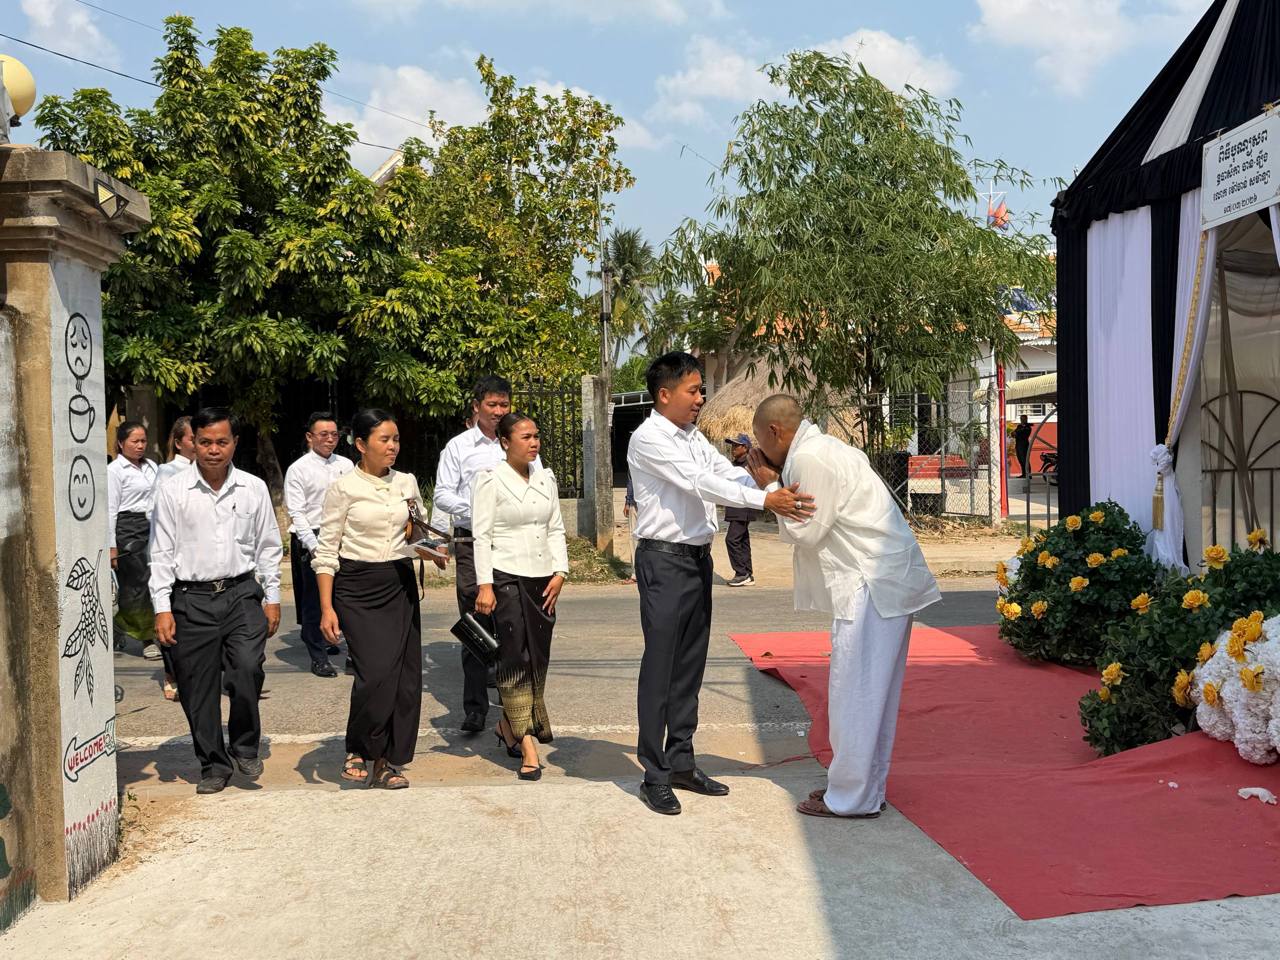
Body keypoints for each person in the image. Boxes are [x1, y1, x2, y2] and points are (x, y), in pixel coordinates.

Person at [626, 352, 815, 815]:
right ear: (664, 394)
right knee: (661, 668)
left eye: (701, 390)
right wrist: (765, 500)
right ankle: (654, 774)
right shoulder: (649, 438)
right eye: (692, 391)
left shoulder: (691, 436)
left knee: (690, 665)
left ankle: (681, 762)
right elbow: (699, 483)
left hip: (695, 560)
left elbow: (722, 472)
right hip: (663, 561)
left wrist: (764, 481)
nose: (700, 399)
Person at [747, 395, 940, 820]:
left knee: (856, 696)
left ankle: (851, 798)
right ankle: (861, 790)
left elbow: (807, 532)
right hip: (878, 581)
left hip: (871, 584)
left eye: (760, 439)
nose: (759, 449)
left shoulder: (811, 458)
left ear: (775, 431)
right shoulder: (822, 449)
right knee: (869, 697)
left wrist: (768, 486)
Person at [149, 408, 283, 795]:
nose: (213, 450)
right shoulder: (173, 491)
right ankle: (213, 764)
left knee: (247, 668)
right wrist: (162, 607)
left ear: (234, 443)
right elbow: (160, 552)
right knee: (197, 688)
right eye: (205, 442)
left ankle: (245, 745)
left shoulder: (253, 488)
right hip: (190, 598)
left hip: (241, 594)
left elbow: (268, 546)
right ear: (193, 443)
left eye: (221, 442)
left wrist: (272, 596)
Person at [314, 409, 427, 790]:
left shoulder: (407, 482)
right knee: (375, 674)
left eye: (396, 439)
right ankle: (358, 748)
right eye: (384, 439)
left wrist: (431, 550)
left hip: (399, 583)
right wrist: (326, 608)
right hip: (356, 587)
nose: (393, 446)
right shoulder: (344, 488)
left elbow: (417, 532)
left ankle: (388, 761)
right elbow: (326, 551)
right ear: (361, 444)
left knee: (404, 680)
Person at [433, 376, 542, 733]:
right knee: (475, 625)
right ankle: (475, 707)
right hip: (471, 543)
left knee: (514, 627)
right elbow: (442, 494)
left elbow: (539, 486)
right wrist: (481, 508)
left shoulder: (521, 442)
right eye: (491, 405)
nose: (498, 411)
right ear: (476, 406)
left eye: (504, 404)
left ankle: (516, 712)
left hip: (514, 545)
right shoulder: (458, 447)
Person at [473, 413, 569, 781]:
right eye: (526, 437)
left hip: (543, 579)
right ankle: (527, 741)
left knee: (538, 659)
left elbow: (555, 528)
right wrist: (485, 585)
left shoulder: (546, 479)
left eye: (536, 436)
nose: (534, 442)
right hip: (506, 575)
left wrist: (561, 572)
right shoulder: (490, 480)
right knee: (515, 658)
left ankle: (507, 725)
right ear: (505, 442)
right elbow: (481, 536)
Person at [283, 412, 354, 678]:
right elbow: (297, 513)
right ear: (310, 437)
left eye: (334, 434)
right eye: (323, 434)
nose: (330, 439)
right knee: (314, 601)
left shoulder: (346, 465)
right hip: (310, 537)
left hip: (342, 537)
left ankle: (350, 651)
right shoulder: (298, 469)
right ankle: (318, 656)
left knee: (344, 598)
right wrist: (314, 546)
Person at [152, 415, 195, 700]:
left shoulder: (213, 470)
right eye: (193, 438)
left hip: (201, 557)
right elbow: (154, 512)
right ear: (179, 443)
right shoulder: (167, 472)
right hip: (175, 554)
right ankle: (172, 673)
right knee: (171, 613)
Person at [108, 421, 159, 659]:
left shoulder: (152, 466)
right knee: (138, 583)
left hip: (153, 526)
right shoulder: (115, 471)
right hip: (128, 528)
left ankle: (121, 624)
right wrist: (112, 546)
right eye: (134, 441)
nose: (140, 446)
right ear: (121, 443)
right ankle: (147, 639)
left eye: (143, 441)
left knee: (156, 579)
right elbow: (110, 510)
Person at [723, 433, 761, 587]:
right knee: (742, 540)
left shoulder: (750, 464)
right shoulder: (733, 465)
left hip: (743, 507)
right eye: (732, 445)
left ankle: (741, 573)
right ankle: (748, 574)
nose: (733, 449)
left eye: (736, 446)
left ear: (745, 447)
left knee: (731, 539)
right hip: (735, 507)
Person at [155, 415, 195, 484]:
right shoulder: (167, 470)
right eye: (193, 440)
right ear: (178, 443)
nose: (197, 444)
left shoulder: (207, 470)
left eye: (201, 440)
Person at [1013, 414, 1033, 479]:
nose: (1022, 420)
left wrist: (1017, 434)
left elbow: (1024, 435)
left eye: (1023, 419)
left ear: (1026, 419)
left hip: (1024, 445)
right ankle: (1023, 473)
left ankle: (1028, 474)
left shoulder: (1028, 427)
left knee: (1025, 460)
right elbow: (1014, 433)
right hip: (1018, 444)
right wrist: (1015, 433)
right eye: (1021, 419)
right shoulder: (1019, 426)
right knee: (1020, 460)